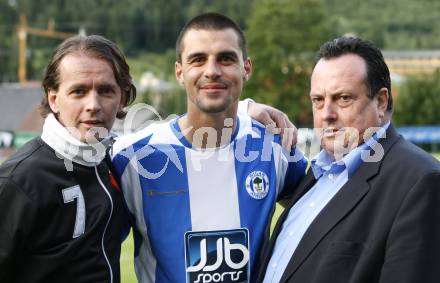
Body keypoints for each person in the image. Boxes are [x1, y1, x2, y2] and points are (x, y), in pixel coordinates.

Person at [111, 13, 308, 283]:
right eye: (198, 59)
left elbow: (319, 214)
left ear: (246, 68)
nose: (212, 70)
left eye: (226, 59)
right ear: (179, 72)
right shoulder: (131, 158)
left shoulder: (275, 145)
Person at [257, 37, 440, 283]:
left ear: (381, 102)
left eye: (343, 98)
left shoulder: (419, 181)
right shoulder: (318, 173)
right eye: (318, 100)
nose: (326, 115)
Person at [0, 35, 136, 283]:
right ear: (54, 99)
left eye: (105, 90)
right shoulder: (19, 180)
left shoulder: (112, 165)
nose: (93, 104)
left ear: (122, 98)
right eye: (78, 91)